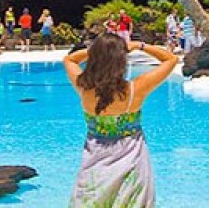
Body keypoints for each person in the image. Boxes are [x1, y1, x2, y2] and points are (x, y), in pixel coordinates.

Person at [64, 35, 176, 207]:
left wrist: (98, 52)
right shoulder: (135, 89)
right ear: (121, 60)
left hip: (95, 158)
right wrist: (140, 45)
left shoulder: (84, 87)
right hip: (132, 156)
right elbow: (170, 59)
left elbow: (69, 59)